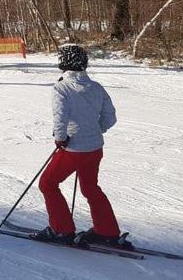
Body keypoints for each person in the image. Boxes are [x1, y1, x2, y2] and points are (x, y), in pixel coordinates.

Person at [35, 44, 132, 249]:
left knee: (48, 184)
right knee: (90, 188)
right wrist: (96, 131)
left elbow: (59, 117)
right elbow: (110, 116)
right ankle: (107, 232)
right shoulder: (96, 87)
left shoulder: (61, 88)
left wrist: (61, 138)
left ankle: (62, 230)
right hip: (95, 148)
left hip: (73, 149)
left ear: (63, 63)